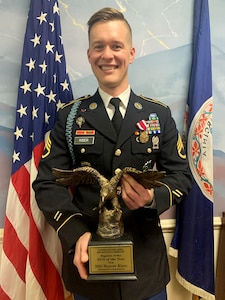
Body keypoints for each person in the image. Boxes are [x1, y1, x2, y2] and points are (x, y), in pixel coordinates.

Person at [33, 7, 193, 300]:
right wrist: (75, 232)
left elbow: (181, 176)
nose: (108, 55)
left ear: (130, 53)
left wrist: (151, 199)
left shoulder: (158, 115)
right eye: (99, 47)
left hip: (146, 271)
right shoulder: (70, 118)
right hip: (90, 268)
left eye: (116, 46)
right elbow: (46, 184)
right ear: (89, 55)